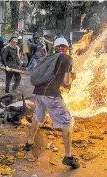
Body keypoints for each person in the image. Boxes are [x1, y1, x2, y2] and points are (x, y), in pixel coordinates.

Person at [23, 37, 79, 169]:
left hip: (39, 93)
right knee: (66, 122)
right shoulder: (67, 59)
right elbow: (66, 82)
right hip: (52, 95)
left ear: (55, 47)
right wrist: (72, 77)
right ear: (66, 48)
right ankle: (68, 156)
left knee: (37, 117)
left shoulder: (49, 57)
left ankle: (29, 142)